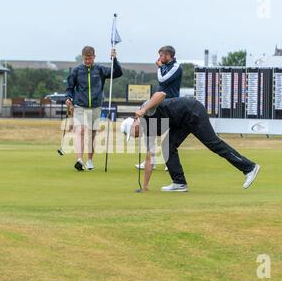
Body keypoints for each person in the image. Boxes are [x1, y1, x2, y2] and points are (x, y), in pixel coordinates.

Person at [121, 92, 261, 192]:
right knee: (166, 147)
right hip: (181, 121)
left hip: (191, 110)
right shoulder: (148, 131)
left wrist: (144, 109)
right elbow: (150, 158)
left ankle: (249, 167)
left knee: (213, 143)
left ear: (134, 125)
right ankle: (179, 183)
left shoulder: (146, 110)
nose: (136, 137)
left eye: (133, 134)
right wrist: (144, 187)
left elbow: (161, 94)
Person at [65, 46, 123, 171]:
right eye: (85, 59)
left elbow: (117, 73)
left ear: (94, 57)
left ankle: (90, 160)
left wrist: (114, 59)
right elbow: (69, 88)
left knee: (92, 134)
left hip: (96, 106)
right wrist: (68, 97)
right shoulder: (76, 71)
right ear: (82, 57)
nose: (87, 61)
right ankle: (79, 160)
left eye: (90, 58)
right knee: (79, 131)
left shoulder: (100, 69)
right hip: (80, 105)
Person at [136, 46, 183, 171]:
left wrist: (159, 67)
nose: (160, 58)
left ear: (169, 55)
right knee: (150, 129)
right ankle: (151, 160)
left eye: (162, 55)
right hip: (158, 103)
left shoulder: (176, 67)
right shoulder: (164, 66)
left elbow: (163, 80)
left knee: (167, 133)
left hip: (171, 104)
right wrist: (161, 67)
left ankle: (169, 162)